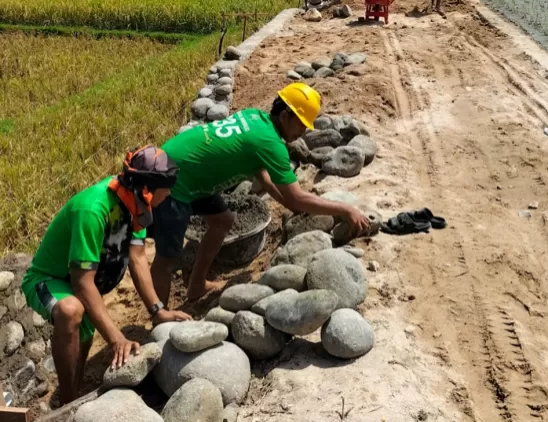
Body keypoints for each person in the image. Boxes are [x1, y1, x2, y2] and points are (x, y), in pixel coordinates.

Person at [150, 82, 370, 303]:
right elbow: (298, 197)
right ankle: (159, 318)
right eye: (302, 125)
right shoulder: (270, 144)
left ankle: (196, 285)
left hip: (192, 170)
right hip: (172, 179)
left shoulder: (255, 117)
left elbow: (261, 173)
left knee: (222, 221)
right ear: (285, 115)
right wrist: (345, 209)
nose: (303, 132)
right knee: (167, 256)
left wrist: (287, 202)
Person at [21, 146, 192, 405]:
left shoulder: (134, 203)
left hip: (82, 285)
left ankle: (74, 394)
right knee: (71, 311)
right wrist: (116, 339)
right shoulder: (93, 210)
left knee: (84, 337)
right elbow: (82, 283)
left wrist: (158, 310)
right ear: (147, 190)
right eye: (165, 189)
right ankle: (67, 405)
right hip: (49, 279)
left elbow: (137, 258)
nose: (168, 194)